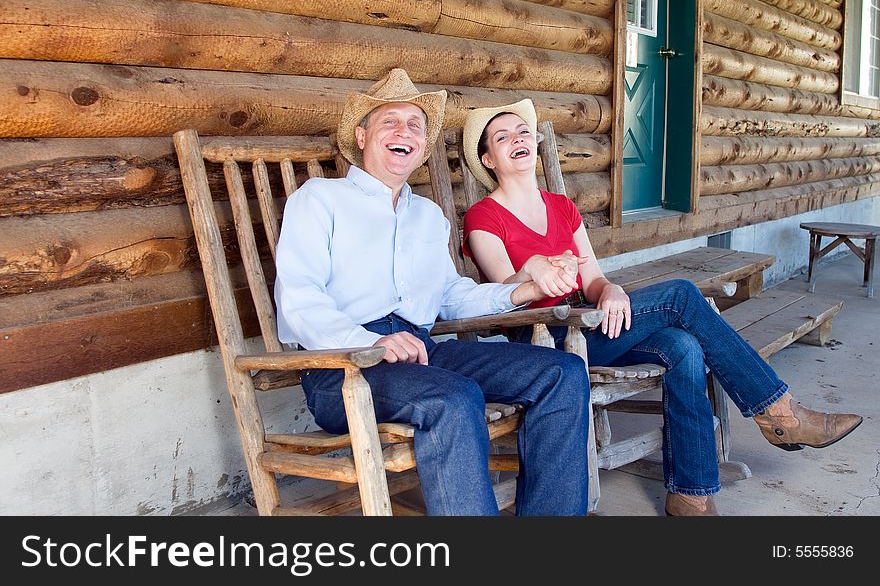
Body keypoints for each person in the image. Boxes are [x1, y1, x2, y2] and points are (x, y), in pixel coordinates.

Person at [460, 98, 863, 516]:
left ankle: (691, 495)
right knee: (680, 295)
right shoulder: (484, 217)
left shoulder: (562, 207)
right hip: (547, 338)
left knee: (682, 346)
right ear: (488, 159)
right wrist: (530, 270)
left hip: (593, 322)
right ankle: (781, 413)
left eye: (523, 132)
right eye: (502, 137)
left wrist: (611, 290)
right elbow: (505, 294)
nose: (517, 140)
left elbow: (593, 278)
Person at [273, 70, 591, 516]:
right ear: (362, 136)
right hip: (342, 367)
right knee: (454, 398)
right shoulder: (320, 199)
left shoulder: (428, 216)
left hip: (421, 351)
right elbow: (299, 299)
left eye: (416, 125)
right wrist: (372, 342)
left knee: (562, 372)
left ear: (422, 147)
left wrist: (524, 289)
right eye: (390, 121)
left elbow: (452, 295)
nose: (405, 132)